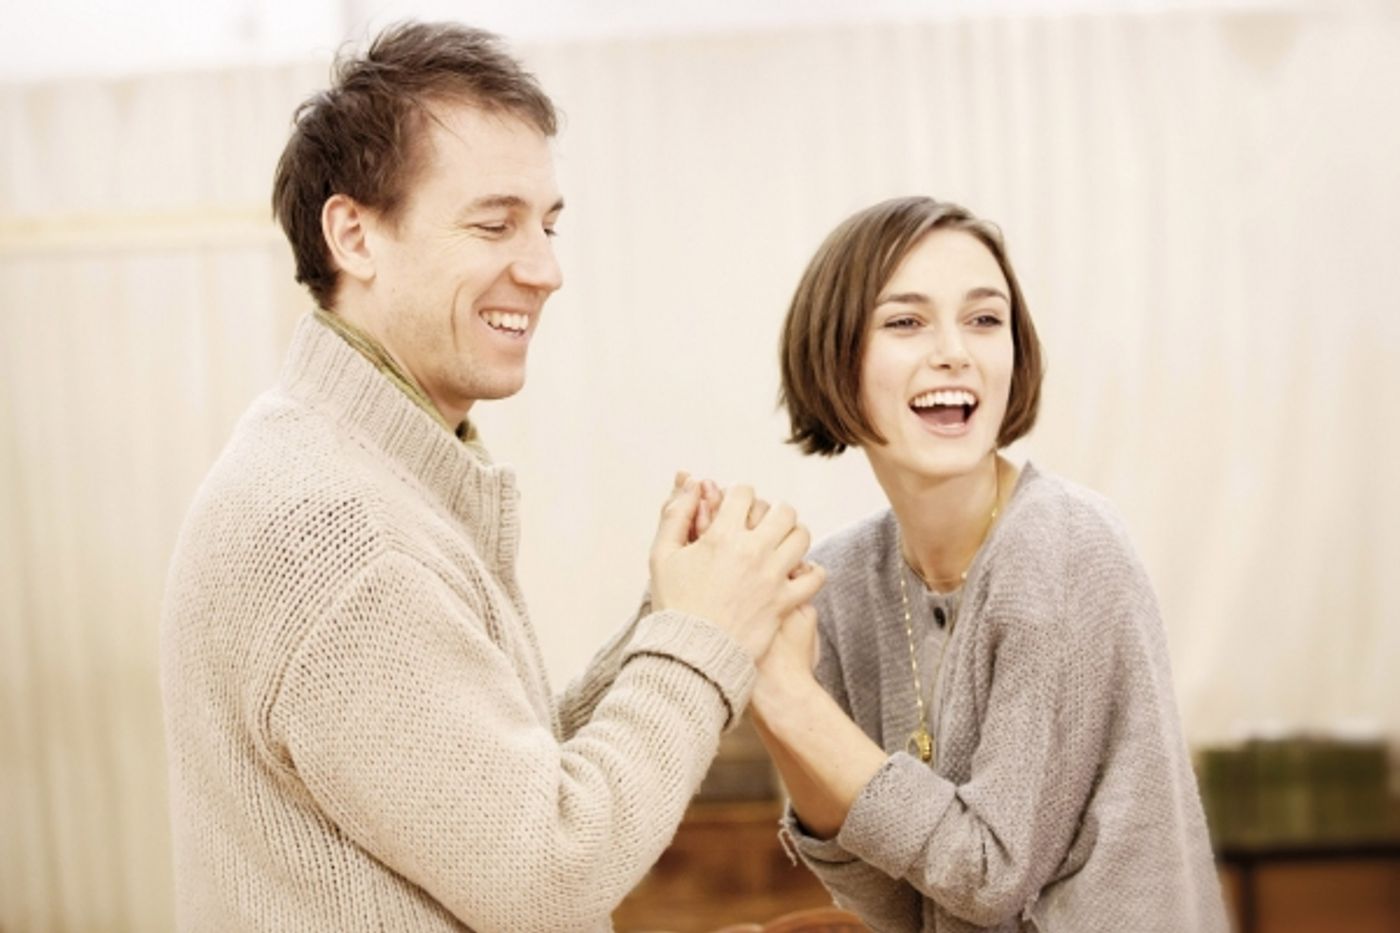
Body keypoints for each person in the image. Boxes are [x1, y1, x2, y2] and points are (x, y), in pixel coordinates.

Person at [159, 22, 821, 932]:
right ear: (354, 233)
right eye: (494, 222)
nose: (545, 269)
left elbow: (494, 793)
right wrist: (701, 639)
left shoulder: (367, 472)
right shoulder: (333, 532)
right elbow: (548, 871)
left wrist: (672, 621)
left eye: (547, 225)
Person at [747, 197, 1228, 931]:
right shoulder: (841, 579)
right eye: (906, 322)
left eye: (984, 319)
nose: (955, 352)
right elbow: (894, 900)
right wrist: (774, 698)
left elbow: (990, 875)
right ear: (833, 354)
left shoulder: (1062, 546)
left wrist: (794, 702)